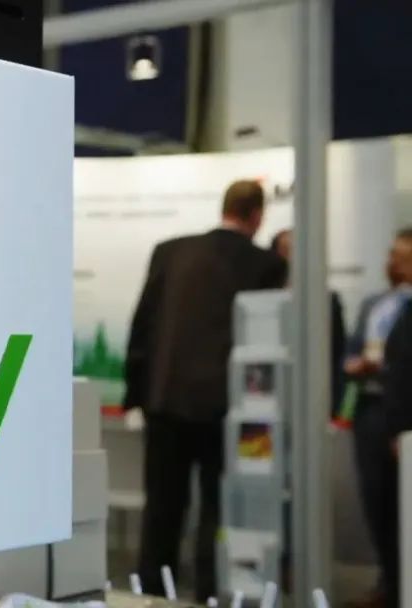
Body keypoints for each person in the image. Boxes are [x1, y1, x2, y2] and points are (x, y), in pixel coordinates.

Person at [125, 180, 287, 600]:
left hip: (165, 402)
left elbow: (142, 326)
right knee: (220, 509)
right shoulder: (265, 265)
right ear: (257, 215)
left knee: (162, 510)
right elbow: (262, 340)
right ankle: (210, 594)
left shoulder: (170, 251)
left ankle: (150, 595)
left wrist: (136, 395)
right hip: (227, 409)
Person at [348, 229, 412, 608]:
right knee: (378, 503)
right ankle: (389, 582)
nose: (394, 264)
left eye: (403, 257)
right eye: (393, 255)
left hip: (406, 416)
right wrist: (354, 365)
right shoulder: (374, 304)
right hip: (371, 410)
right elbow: (353, 348)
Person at [269, 229, 348, 417]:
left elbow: (336, 351)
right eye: (287, 251)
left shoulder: (327, 301)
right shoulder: (265, 298)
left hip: (317, 393)